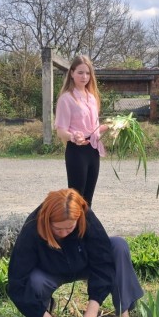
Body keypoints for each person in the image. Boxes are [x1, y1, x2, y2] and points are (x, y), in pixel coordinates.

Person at [7, 188, 143, 317]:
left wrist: (93, 308)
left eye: (70, 228)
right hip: (50, 271)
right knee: (34, 280)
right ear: (46, 220)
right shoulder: (32, 227)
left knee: (118, 245)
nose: (64, 233)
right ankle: (43, 313)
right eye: (57, 228)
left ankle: (122, 315)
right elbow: (16, 283)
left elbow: (103, 262)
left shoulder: (86, 216)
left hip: (85, 265)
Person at [54, 55, 108, 206]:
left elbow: (93, 129)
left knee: (88, 200)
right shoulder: (66, 99)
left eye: (88, 73)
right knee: (76, 200)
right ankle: (69, 224)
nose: (84, 77)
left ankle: (85, 223)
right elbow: (60, 130)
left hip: (93, 150)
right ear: (72, 73)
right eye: (80, 72)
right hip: (77, 151)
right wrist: (73, 137)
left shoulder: (92, 98)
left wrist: (113, 126)